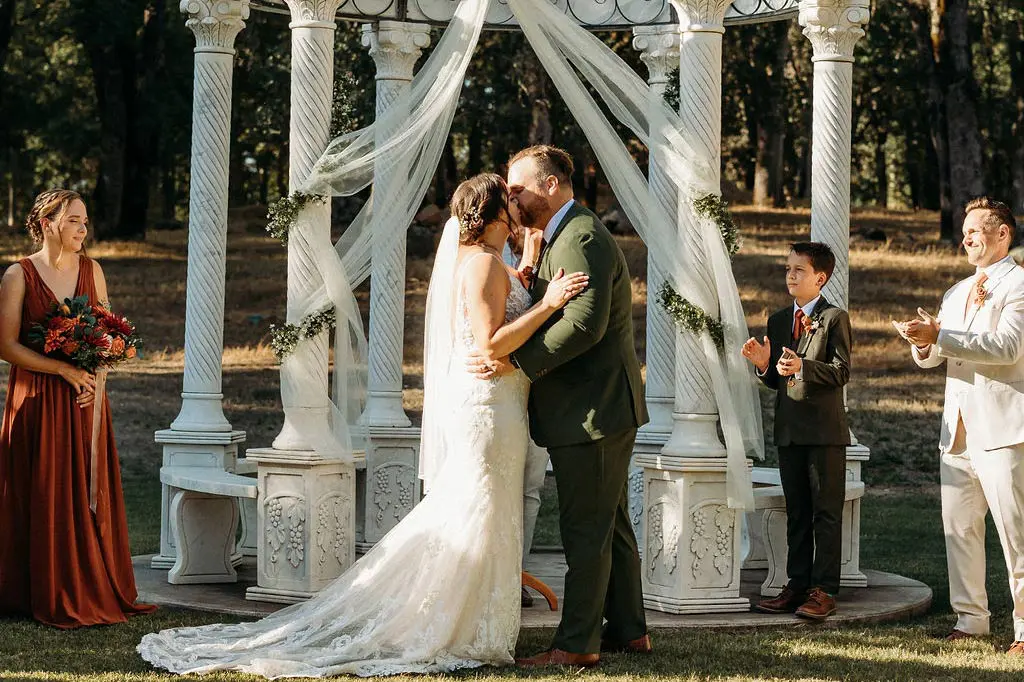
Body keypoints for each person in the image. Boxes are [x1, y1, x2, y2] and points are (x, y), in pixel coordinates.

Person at [137, 174, 588, 677]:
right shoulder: (482, 263)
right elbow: (489, 345)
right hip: (488, 408)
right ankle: (454, 624)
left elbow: (503, 309)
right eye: (510, 200)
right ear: (494, 213)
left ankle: (470, 620)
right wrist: (550, 304)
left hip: (497, 404)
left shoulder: (487, 261)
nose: (519, 206)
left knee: (482, 511)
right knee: (477, 511)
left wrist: (528, 262)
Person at [471, 145, 650, 667]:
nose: (512, 197)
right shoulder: (560, 235)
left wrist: (516, 363)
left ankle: (575, 645)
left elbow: (585, 325)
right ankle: (630, 630)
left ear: (551, 185)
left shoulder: (583, 236)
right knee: (610, 525)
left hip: (593, 409)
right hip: (594, 407)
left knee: (585, 532)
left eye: (519, 187)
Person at [0, 189, 156, 628]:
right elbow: (5, 345)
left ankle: (88, 581)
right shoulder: (19, 275)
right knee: (44, 487)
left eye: (85, 222)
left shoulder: (94, 271)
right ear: (48, 223)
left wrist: (95, 378)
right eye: (73, 221)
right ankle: (36, 588)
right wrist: (61, 370)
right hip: (37, 401)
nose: (83, 229)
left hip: (85, 400)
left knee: (83, 488)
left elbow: (108, 337)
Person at [895, 196, 1024, 655]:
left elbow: (1008, 347)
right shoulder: (955, 291)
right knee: (959, 529)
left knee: (1016, 535)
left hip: (1006, 430)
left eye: (974, 230)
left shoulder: (1019, 285)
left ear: (1002, 234)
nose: (965, 238)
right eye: (964, 231)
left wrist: (942, 336)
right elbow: (936, 359)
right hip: (958, 431)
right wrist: (922, 342)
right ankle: (971, 620)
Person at [741, 241, 851, 621]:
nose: (790, 275)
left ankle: (825, 590)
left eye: (799, 270)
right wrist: (762, 367)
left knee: (826, 513)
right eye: (788, 268)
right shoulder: (776, 320)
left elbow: (841, 372)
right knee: (798, 513)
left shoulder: (835, 318)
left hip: (824, 433)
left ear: (820, 278)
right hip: (789, 432)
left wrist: (803, 366)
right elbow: (778, 379)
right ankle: (797, 585)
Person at [503, 219, 553, 608]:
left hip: (536, 391)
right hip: (499, 391)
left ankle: (515, 574)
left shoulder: (554, 248)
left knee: (530, 488)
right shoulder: (482, 258)